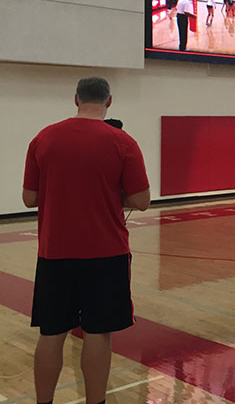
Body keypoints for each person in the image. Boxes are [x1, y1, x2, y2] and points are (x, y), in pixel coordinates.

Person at [22, 77, 150, 404]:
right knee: (98, 333)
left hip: (54, 253)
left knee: (51, 333)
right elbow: (142, 200)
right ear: (109, 102)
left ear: (75, 99)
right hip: (106, 255)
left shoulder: (43, 138)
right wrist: (111, 195)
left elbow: (29, 198)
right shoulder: (122, 142)